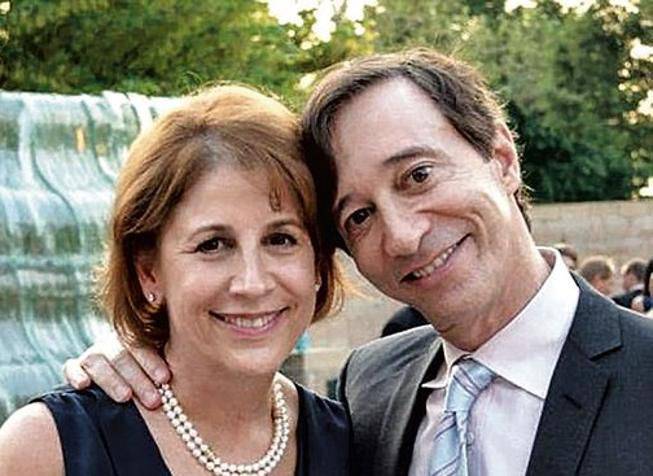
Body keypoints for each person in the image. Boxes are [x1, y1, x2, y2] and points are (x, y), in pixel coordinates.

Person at [62, 49, 653, 475]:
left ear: (501, 158)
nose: (403, 236)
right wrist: (146, 359)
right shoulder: (369, 391)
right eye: (359, 215)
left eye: (418, 175)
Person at [0, 85, 349, 475]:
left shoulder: (353, 444)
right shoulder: (46, 449)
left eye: (280, 239)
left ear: (318, 262)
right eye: (212, 245)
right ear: (148, 272)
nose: (252, 283)